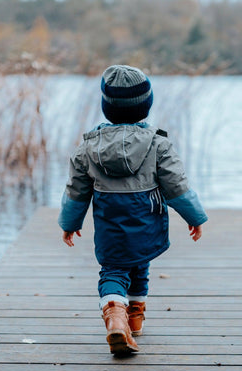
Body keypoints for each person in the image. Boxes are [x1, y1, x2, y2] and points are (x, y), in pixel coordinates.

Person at [58, 65, 208, 355]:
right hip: (146, 219)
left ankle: (120, 317)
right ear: (146, 106)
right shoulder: (158, 144)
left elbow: (76, 192)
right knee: (141, 260)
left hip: (109, 221)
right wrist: (195, 217)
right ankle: (129, 318)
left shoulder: (87, 148)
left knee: (114, 268)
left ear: (106, 107)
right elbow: (177, 186)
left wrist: (69, 222)